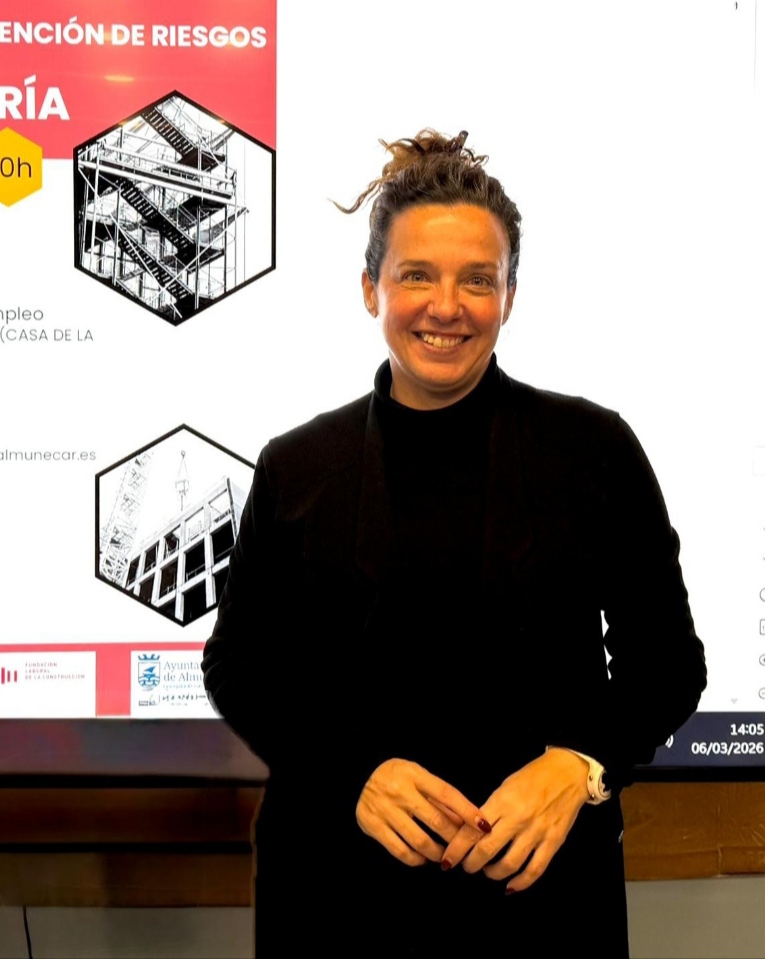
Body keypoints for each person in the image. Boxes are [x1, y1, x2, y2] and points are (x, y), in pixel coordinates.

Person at [201, 129, 707, 957]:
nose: (447, 305)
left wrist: (582, 765)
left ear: (510, 295)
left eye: (478, 278)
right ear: (370, 287)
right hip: (334, 890)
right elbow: (238, 664)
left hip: (541, 902)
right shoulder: (297, 466)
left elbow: (669, 666)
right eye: (416, 275)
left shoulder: (594, 450)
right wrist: (350, 773)